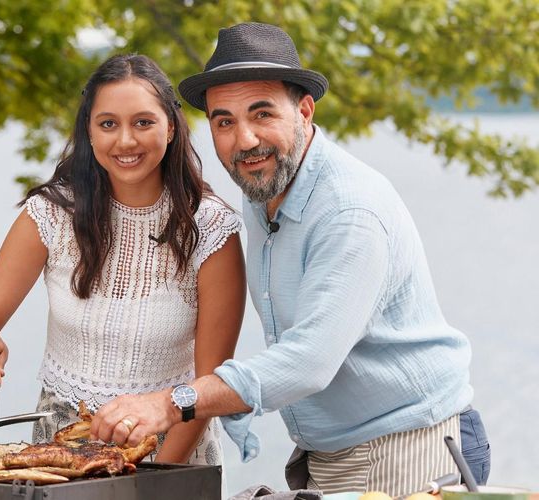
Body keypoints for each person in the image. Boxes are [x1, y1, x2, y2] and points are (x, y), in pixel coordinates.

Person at [90, 23, 491, 495]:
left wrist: (174, 401)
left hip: (411, 445)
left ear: (304, 110)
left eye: (262, 114)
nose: (243, 139)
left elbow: (309, 362)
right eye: (224, 121)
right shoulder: (264, 184)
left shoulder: (350, 211)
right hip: (329, 452)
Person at [0, 54, 245, 466]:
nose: (125, 141)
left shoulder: (212, 229)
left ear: (171, 127)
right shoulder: (52, 213)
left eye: (143, 122)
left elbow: (209, 385)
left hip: (173, 450)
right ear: (89, 132)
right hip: (61, 450)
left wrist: (155, 480)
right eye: (108, 124)